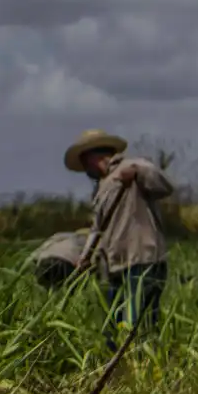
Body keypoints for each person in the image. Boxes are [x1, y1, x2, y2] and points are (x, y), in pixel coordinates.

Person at [66, 130, 173, 338]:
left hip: (142, 260)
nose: (86, 170)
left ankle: (143, 357)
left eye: (85, 164)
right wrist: (85, 257)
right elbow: (97, 228)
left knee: (139, 325)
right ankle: (117, 358)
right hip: (115, 265)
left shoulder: (133, 166)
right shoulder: (101, 188)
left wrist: (139, 173)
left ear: (93, 157)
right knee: (114, 326)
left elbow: (165, 185)